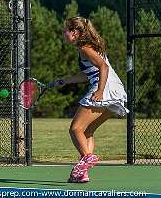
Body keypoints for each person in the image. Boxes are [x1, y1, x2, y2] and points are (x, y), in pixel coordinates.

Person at [54, 17, 129, 183]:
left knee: (75, 129)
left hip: (104, 89)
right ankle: (83, 173)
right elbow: (88, 73)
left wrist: (100, 91)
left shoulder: (85, 49)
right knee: (87, 131)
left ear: (75, 32)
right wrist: (66, 80)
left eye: (65, 30)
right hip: (115, 90)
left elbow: (104, 67)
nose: (63, 33)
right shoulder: (87, 49)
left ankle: (88, 158)